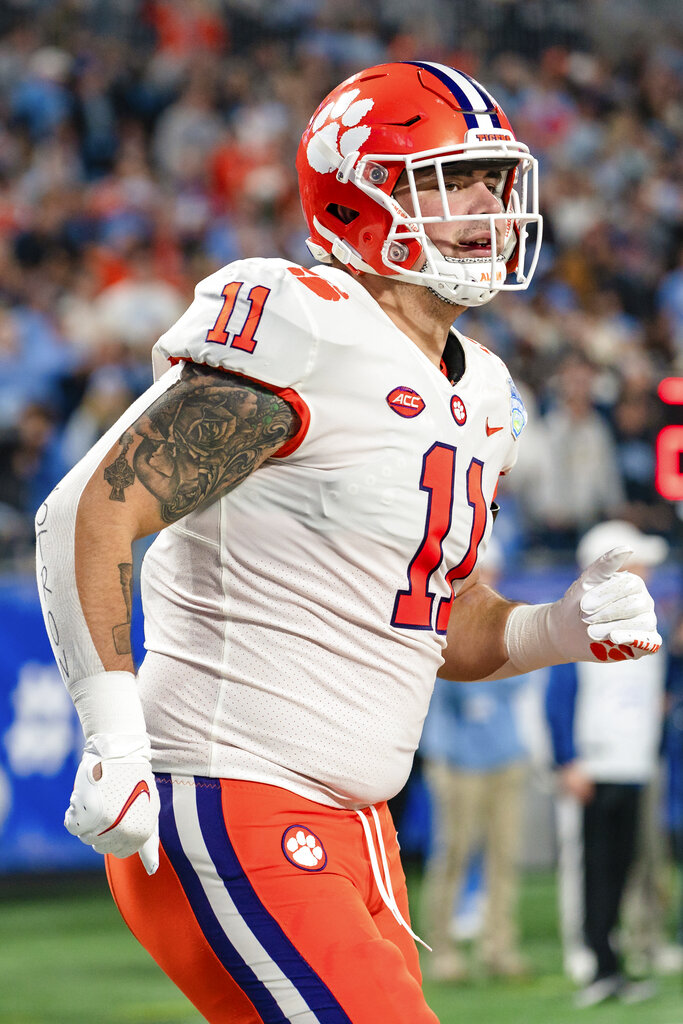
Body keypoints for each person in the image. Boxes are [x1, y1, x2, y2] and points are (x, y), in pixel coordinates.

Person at [35, 62, 663, 1024]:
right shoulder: (307, 325)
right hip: (232, 790)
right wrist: (114, 734)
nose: (490, 204)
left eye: (497, 180)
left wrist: (555, 628)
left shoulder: (484, 389)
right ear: (358, 196)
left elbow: (435, 621)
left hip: (356, 824)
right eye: (453, 179)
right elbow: (90, 510)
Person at [545, 519, 668, 1009]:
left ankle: (613, 963)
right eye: (638, 563)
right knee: (590, 869)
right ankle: (592, 958)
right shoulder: (580, 620)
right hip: (595, 767)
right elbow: (559, 694)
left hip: (632, 764)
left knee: (620, 868)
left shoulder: (645, 615)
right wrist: (566, 759)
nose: (648, 572)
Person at [420, 539, 531, 981]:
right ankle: (442, 949)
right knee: (453, 854)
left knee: (505, 856)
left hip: (504, 751)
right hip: (457, 756)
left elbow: (519, 684)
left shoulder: (507, 622)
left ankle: (498, 946)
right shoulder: (438, 620)